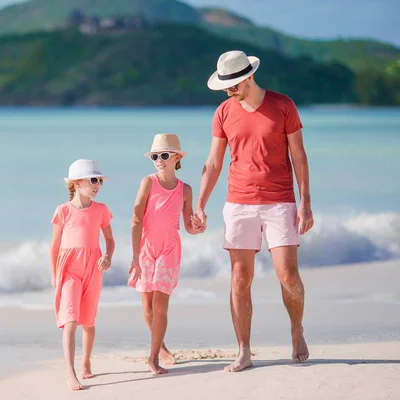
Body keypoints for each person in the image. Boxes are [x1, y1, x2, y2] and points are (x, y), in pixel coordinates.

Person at [193, 50, 314, 372]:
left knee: (288, 275)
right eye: (224, 85)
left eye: (232, 84)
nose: (228, 90)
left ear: (248, 77)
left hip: (280, 201)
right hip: (239, 203)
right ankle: (244, 350)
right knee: (239, 278)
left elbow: (299, 157)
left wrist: (306, 202)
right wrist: (200, 205)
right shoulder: (223, 112)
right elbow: (214, 162)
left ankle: (296, 330)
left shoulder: (283, 105)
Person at [128, 133, 203, 375]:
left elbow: (189, 226)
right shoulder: (148, 182)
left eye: (164, 155)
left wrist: (198, 226)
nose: (159, 160)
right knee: (148, 307)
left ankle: (152, 359)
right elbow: (136, 217)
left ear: (177, 157)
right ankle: (161, 347)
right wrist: (135, 254)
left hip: (170, 248)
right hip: (147, 247)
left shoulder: (185, 189)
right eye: (155, 156)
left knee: (160, 305)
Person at [50, 159, 115, 390]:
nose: (97, 185)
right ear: (77, 184)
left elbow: (109, 239)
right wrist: (54, 274)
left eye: (99, 181)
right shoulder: (63, 211)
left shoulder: (101, 210)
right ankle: (70, 372)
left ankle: (86, 363)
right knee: (71, 320)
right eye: (93, 180)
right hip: (68, 268)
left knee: (88, 321)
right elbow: (55, 246)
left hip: (93, 267)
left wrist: (107, 256)